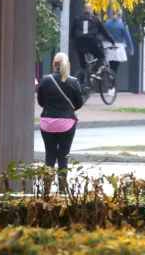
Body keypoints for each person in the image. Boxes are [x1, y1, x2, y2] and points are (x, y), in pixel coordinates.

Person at [37, 52, 85, 188]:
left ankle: (46, 188)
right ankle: (62, 188)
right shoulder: (73, 81)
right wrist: (68, 110)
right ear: (67, 64)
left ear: (53, 64)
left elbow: (41, 101)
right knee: (63, 156)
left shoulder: (45, 80)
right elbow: (79, 103)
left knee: (50, 156)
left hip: (47, 123)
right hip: (67, 123)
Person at [71, 3, 114, 70]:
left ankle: (83, 76)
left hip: (79, 44)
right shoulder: (96, 19)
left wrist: (74, 44)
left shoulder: (77, 19)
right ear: (91, 10)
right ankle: (94, 72)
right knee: (101, 57)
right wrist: (112, 42)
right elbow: (105, 32)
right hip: (91, 43)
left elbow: (72, 33)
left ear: (83, 10)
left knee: (83, 65)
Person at [103, 9, 134, 75]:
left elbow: (103, 33)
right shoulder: (123, 24)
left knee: (107, 67)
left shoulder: (107, 23)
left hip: (107, 47)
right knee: (114, 69)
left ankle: (105, 79)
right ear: (121, 15)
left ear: (113, 13)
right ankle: (111, 82)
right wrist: (131, 49)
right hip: (118, 48)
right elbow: (128, 37)